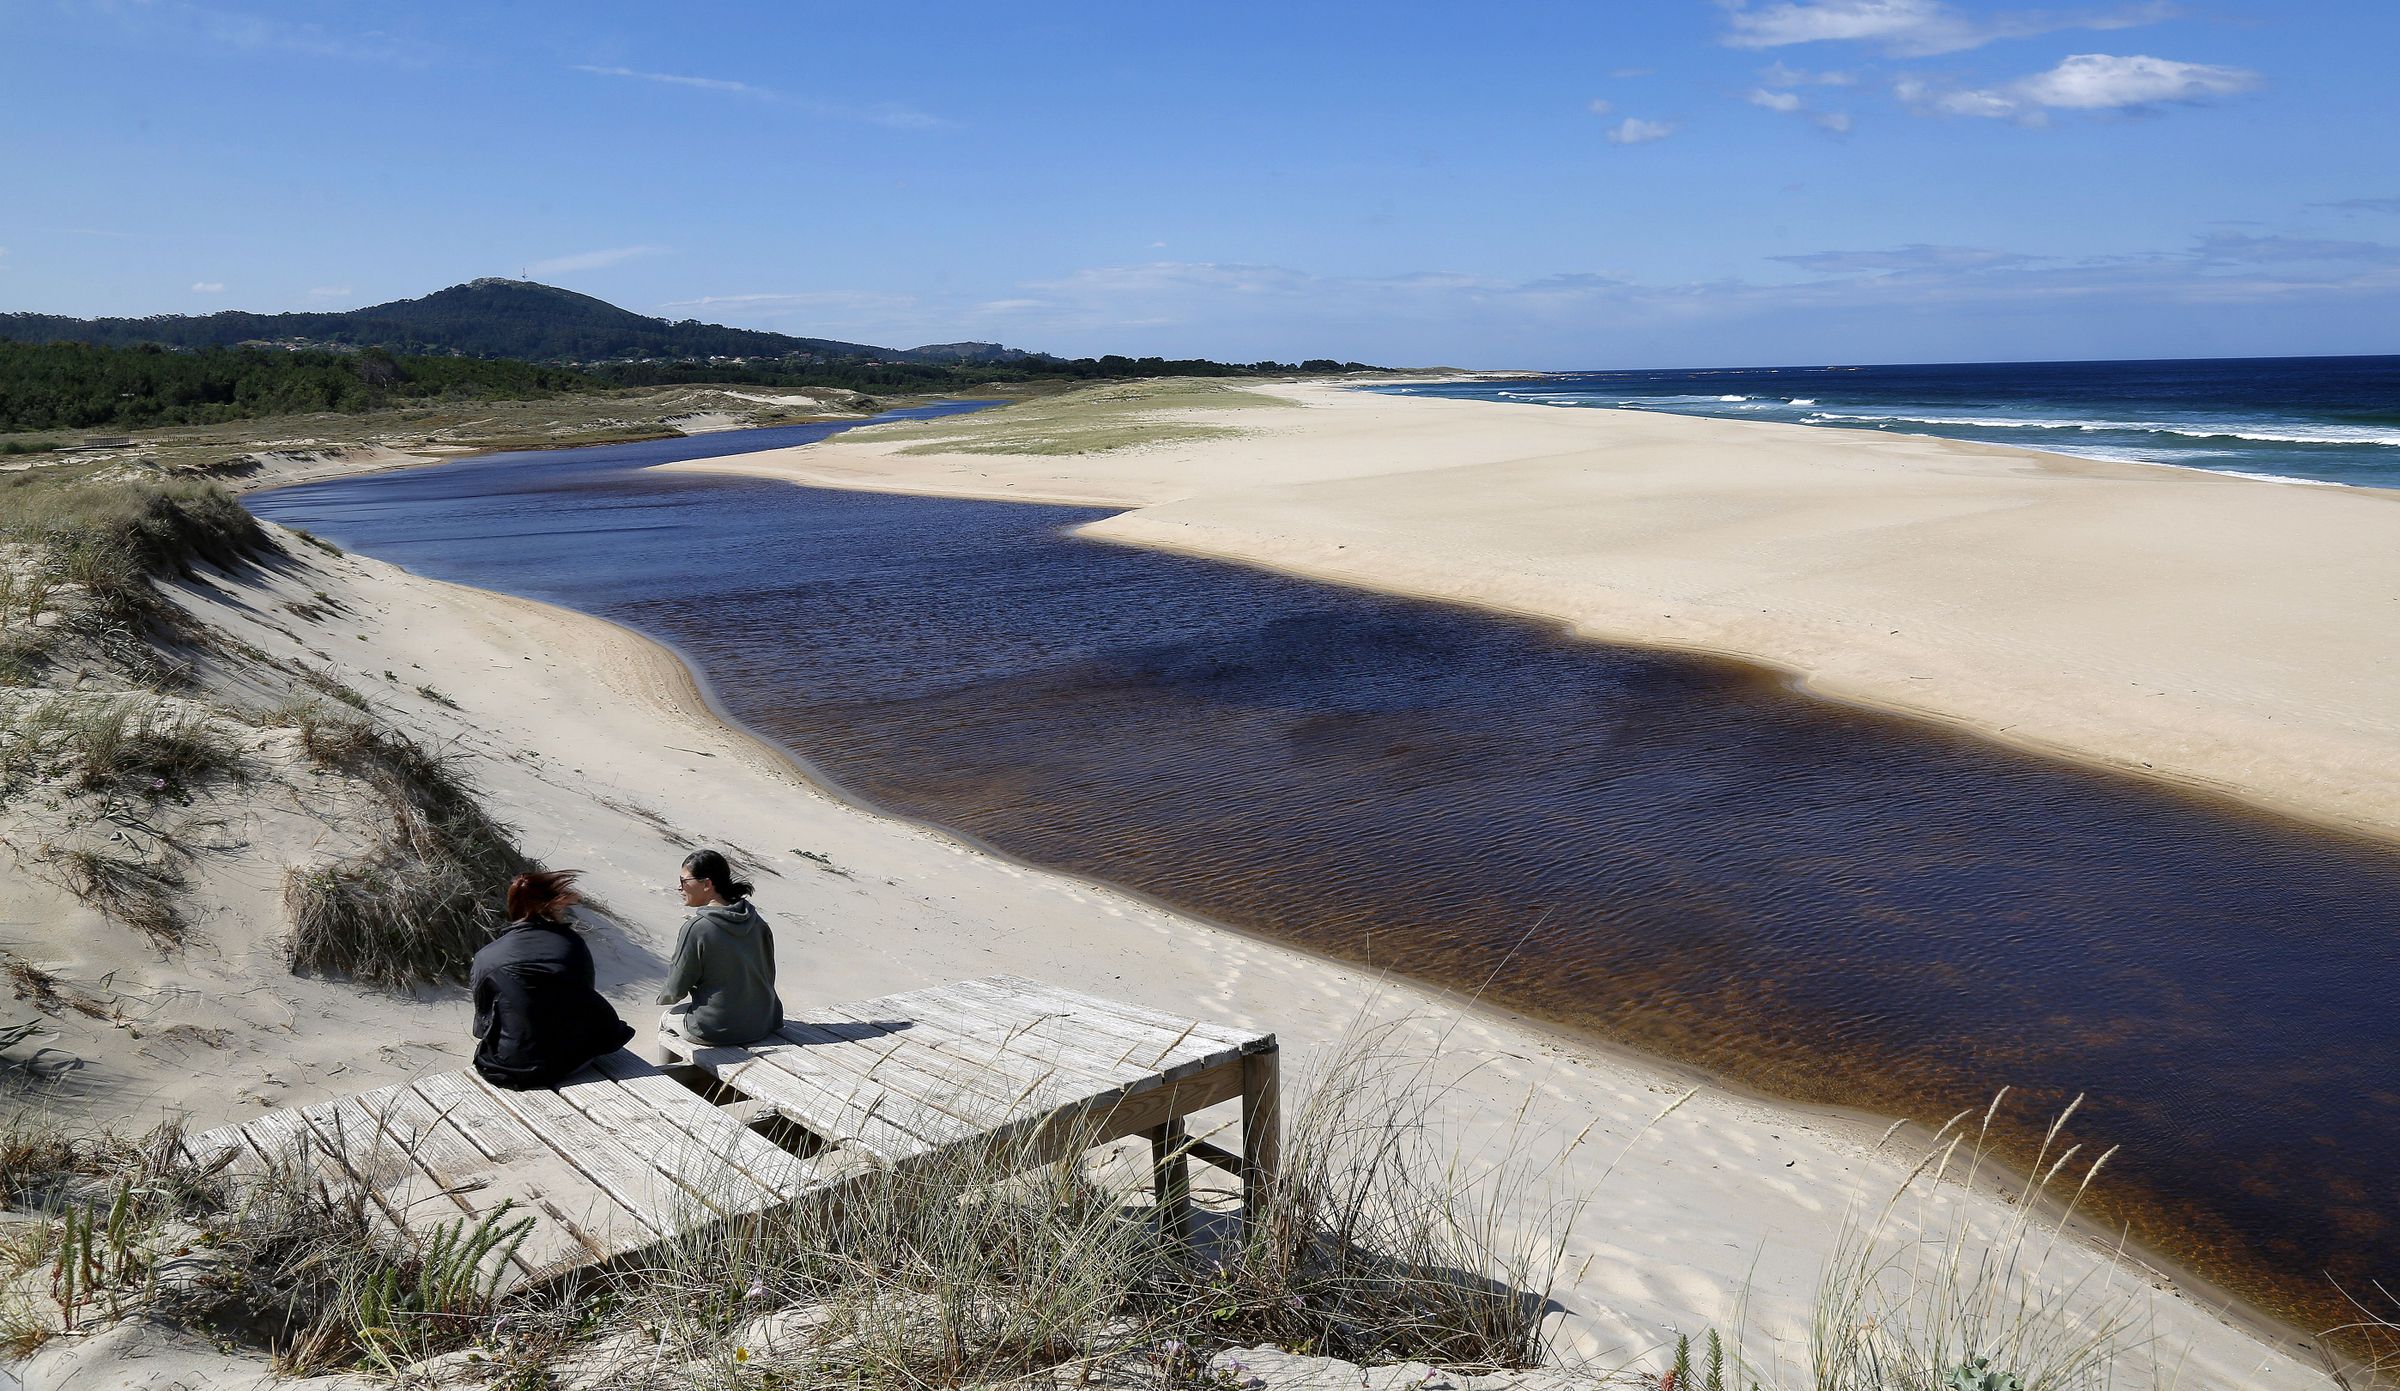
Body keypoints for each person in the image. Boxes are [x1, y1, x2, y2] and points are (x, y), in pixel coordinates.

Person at [470, 869, 635, 1090]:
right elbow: (585, 997)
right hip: (570, 1061)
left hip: (508, 1067)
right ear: (553, 904)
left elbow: (481, 1025)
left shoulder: (486, 956)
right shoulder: (571, 944)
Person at [655, 849, 785, 1049]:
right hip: (765, 1021)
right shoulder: (757, 921)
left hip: (718, 1027)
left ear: (707, 884)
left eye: (684, 881)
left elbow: (675, 989)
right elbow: (769, 974)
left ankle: (671, 1080)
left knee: (667, 1019)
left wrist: (664, 998)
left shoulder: (697, 928)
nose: (679, 888)